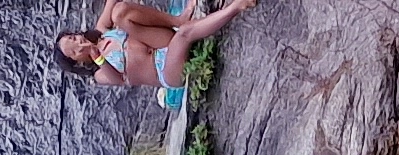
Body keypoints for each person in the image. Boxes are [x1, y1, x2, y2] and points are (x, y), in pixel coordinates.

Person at [51, 0, 257, 108]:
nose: (78, 43)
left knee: (119, 12)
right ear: (76, 61)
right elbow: (118, 78)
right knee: (184, 36)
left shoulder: (102, 31)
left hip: (160, 40)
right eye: (74, 50)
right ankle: (236, 7)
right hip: (165, 70)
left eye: (74, 38)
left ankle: (177, 20)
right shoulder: (99, 75)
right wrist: (95, 53)